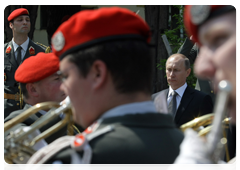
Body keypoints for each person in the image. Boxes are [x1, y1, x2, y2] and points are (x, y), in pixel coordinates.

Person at [25, 7, 184, 170]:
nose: (64, 88)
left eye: (66, 76)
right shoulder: (191, 149)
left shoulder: (78, 160)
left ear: (97, 73)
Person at [167, 5, 238, 170]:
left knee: (231, 134)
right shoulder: (196, 47)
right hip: (211, 96)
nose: (202, 68)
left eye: (219, 39)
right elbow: (181, 57)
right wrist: (191, 38)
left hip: (219, 96)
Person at [4, 52, 68, 170]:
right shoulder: (16, 121)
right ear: (33, 89)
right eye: (58, 78)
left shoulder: (71, 117)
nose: (66, 84)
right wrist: (65, 108)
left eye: (66, 77)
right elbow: (26, 144)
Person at [4, 8, 47, 118]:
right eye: (20, 20)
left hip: (32, 110)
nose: (25, 22)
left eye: (27, 20)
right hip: (6, 110)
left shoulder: (40, 52)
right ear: (11, 25)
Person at [152, 53, 213, 127]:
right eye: (169, 70)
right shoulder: (154, 98)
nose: (171, 74)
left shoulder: (201, 99)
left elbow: (207, 131)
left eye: (176, 70)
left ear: (187, 72)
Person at [177, 36, 215, 102]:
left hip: (224, 98)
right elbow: (180, 59)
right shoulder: (198, 45)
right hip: (201, 99)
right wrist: (190, 40)